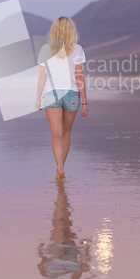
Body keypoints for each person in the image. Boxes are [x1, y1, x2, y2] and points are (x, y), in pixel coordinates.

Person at [35, 16, 88, 181]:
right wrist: (85, 102)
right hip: (72, 94)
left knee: (55, 134)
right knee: (66, 133)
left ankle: (60, 167)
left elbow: (42, 76)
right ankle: (60, 170)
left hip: (52, 94)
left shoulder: (45, 48)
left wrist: (38, 99)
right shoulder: (77, 49)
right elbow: (79, 76)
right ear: (71, 31)